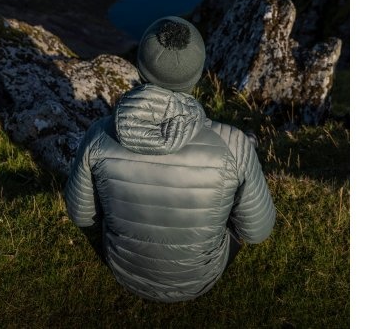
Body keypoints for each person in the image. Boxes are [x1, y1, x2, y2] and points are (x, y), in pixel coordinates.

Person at [64, 16, 276, 303]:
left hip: (125, 270)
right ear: (197, 74)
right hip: (199, 279)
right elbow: (256, 232)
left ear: (140, 67)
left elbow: (82, 216)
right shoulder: (234, 144)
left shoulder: (99, 135)